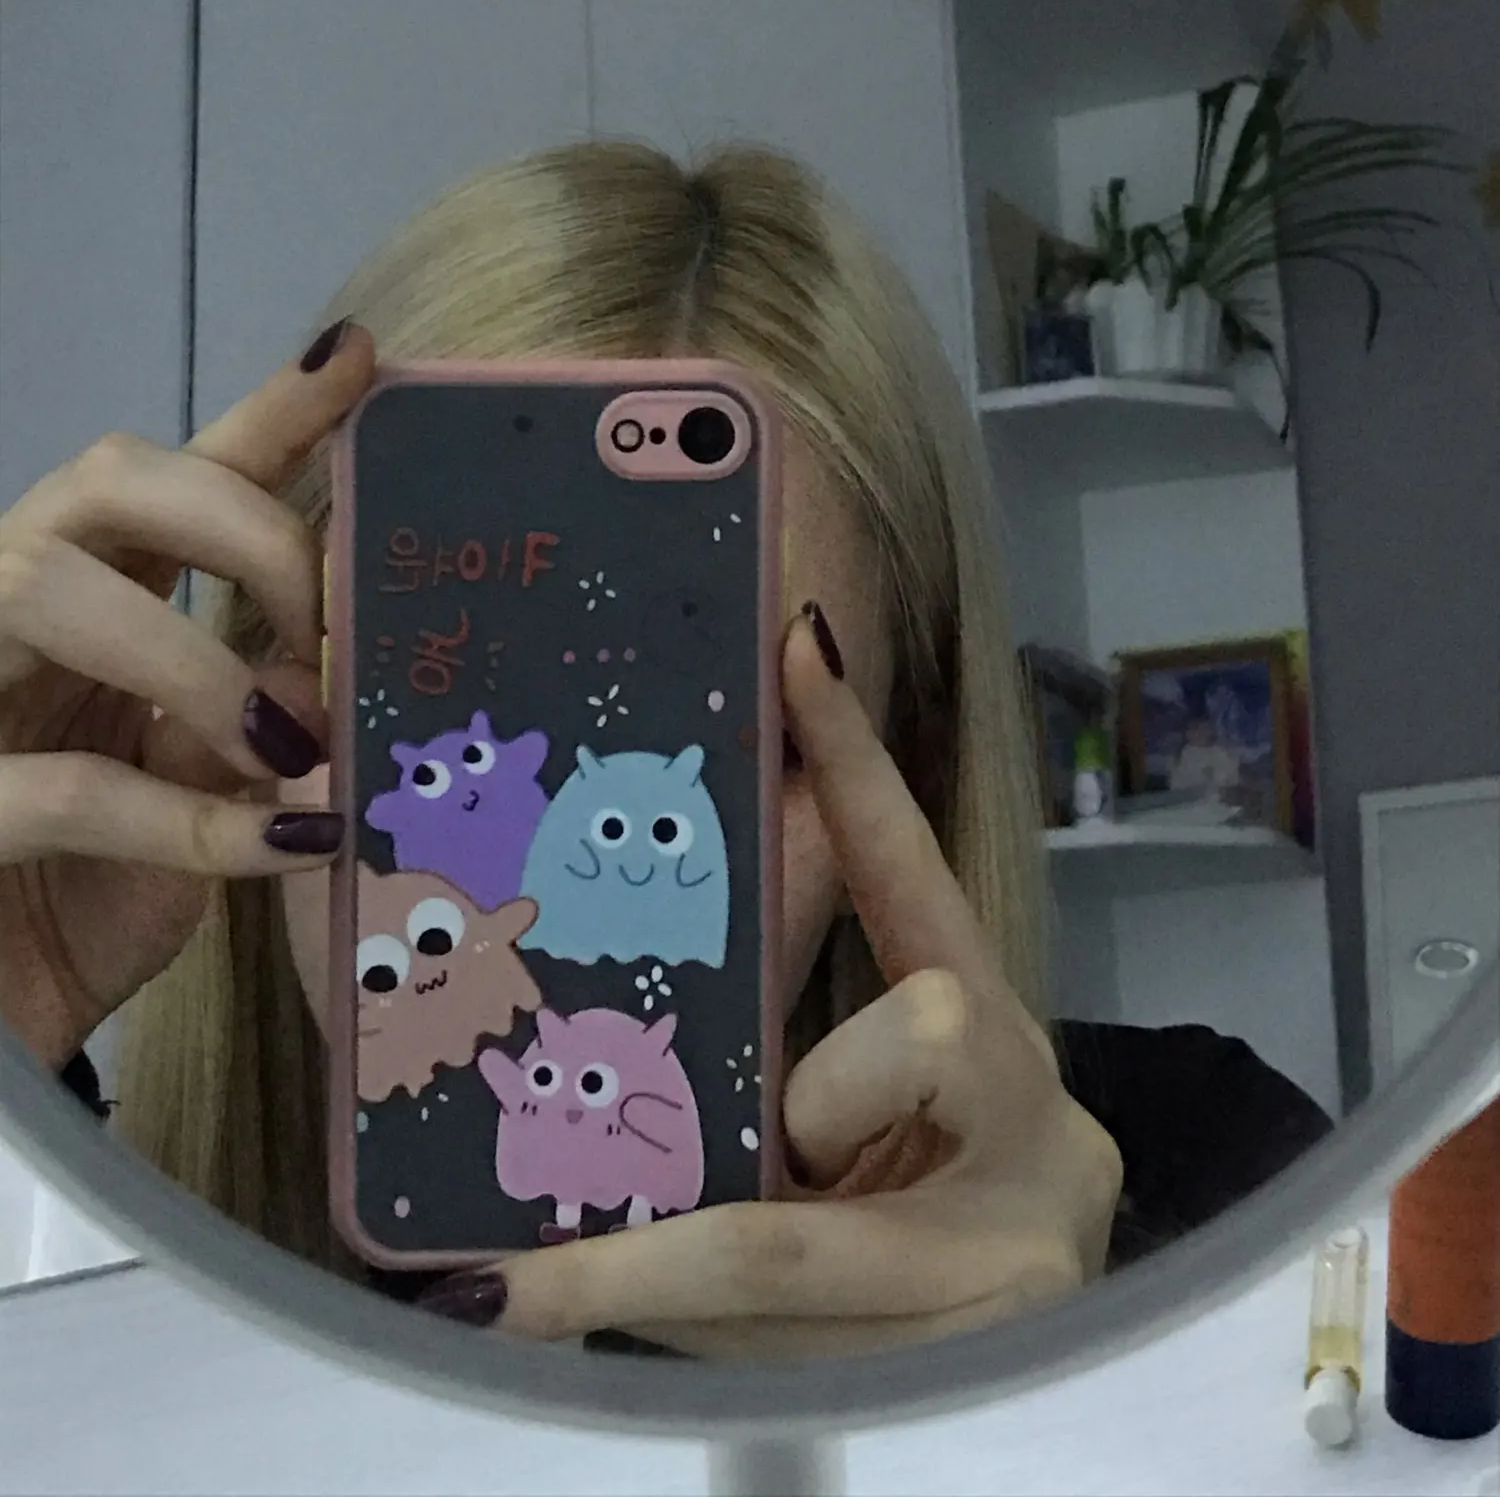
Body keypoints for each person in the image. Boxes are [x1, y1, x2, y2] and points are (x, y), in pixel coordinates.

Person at [0, 142, 1328, 1359]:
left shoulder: (1209, 1180)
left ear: (909, 776)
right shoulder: (78, 1260)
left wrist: (1068, 1394)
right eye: (451, 696)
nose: (552, 862)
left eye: (747, 734)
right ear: (259, 707)